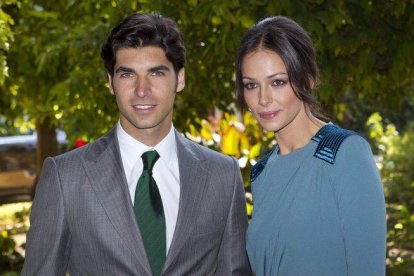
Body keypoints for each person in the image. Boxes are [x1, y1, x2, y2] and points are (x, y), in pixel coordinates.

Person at [22, 13, 251, 275]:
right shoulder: (66, 178)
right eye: (127, 75)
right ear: (110, 83)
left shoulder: (223, 175)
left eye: (156, 73)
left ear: (181, 79)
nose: (142, 90)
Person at [235, 16, 386, 275]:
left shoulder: (345, 154)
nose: (263, 99)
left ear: (308, 80)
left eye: (277, 82)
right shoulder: (261, 172)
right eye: (251, 85)